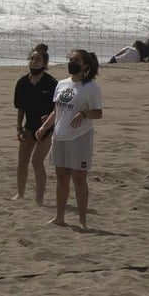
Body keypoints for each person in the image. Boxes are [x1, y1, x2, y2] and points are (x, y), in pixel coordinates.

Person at [35, 49, 103, 230]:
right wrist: (44, 127)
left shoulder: (91, 87)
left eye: (76, 60)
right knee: (61, 178)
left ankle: (82, 220)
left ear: (85, 65)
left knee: (79, 179)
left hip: (79, 137)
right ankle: (59, 217)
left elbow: (98, 113)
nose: (71, 62)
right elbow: (57, 110)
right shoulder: (61, 84)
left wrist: (83, 113)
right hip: (59, 136)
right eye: (70, 59)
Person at [12, 44, 58, 205]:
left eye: (38, 59)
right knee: (22, 161)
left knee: (37, 162)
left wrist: (48, 119)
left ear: (45, 63)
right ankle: (20, 194)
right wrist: (19, 127)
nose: (34, 62)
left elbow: (58, 108)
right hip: (29, 126)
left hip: (47, 128)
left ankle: (39, 199)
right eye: (32, 59)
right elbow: (21, 108)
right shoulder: (23, 82)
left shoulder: (51, 83)